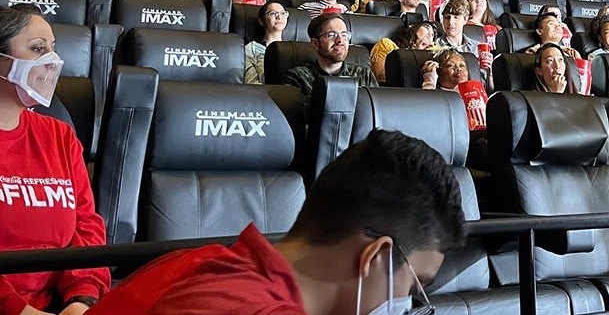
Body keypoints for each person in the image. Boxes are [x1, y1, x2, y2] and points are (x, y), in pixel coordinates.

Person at [88, 129, 465, 315]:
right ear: (377, 257)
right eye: (417, 286)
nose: (409, 304)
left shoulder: (199, 263)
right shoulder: (247, 308)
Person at [0, 5, 110, 315]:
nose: (52, 62)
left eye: (53, 50)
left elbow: (86, 228)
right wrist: (18, 310)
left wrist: (81, 300)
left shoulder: (59, 136)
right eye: (37, 49)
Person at [281, 13, 377, 104]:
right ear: (316, 44)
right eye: (331, 35)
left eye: (344, 35)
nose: (340, 40)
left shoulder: (364, 75)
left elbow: (376, 112)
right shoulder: (297, 77)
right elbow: (293, 115)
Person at [368, 21, 437, 84]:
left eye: (432, 34)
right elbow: (383, 79)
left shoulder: (433, 56)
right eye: (426, 28)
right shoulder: (386, 45)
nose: (430, 35)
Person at [244, 1, 289, 85]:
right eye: (272, 13)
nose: (279, 17)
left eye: (283, 13)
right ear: (261, 21)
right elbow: (251, 83)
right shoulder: (251, 48)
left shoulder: (293, 50)